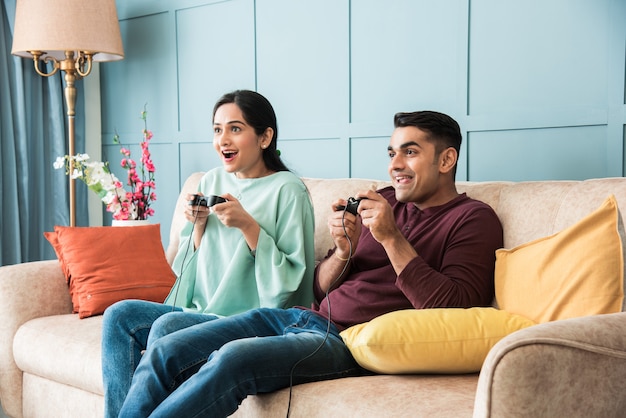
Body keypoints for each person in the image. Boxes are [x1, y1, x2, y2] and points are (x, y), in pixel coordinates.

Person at [117, 110, 504, 417]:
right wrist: (342, 250)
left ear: (447, 158)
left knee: (233, 359)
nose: (395, 165)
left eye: (410, 152)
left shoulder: (472, 218)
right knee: (167, 350)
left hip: (342, 342)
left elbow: (454, 307)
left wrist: (390, 238)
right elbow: (319, 287)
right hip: (296, 317)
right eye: (392, 153)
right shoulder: (385, 199)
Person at [101, 90, 316, 418]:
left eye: (235, 128)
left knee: (169, 325)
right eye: (217, 130)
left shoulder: (288, 190)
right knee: (119, 316)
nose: (223, 140)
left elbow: (292, 283)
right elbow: (191, 268)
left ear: (265, 136)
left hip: (248, 318)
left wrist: (249, 227)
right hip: (203, 309)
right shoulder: (212, 180)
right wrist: (198, 226)